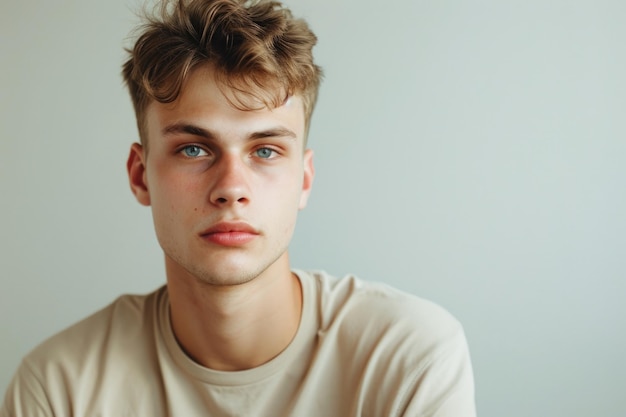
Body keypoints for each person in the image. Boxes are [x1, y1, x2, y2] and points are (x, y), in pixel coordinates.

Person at [1, 0, 476, 415]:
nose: (231, 188)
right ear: (140, 174)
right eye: (194, 149)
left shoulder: (407, 357)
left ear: (304, 179)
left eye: (265, 151)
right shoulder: (59, 388)